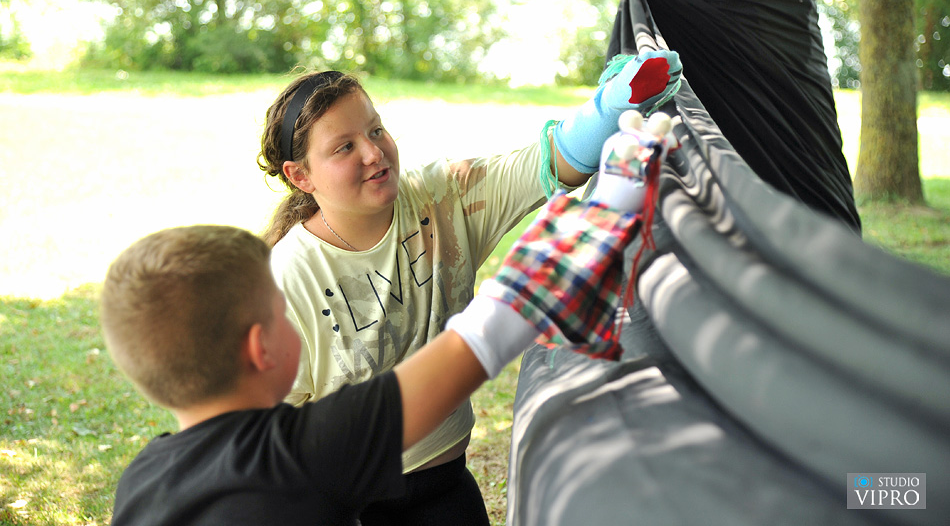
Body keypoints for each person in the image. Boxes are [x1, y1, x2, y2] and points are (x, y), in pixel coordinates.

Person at [255, 52, 681, 524]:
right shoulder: (285, 280)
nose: (373, 153)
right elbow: (269, 437)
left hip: (447, 487)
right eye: (344, 148)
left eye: (376, 130)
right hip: (346, 506)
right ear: (300, 175)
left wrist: (617, 101)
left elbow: (552, 160)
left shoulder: (441, 198)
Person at [100, 159, 644, 525]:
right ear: (261, 348)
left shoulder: (142, 480)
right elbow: (485, 338)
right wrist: (611, 202)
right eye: (280, 312)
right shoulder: (307, 452)